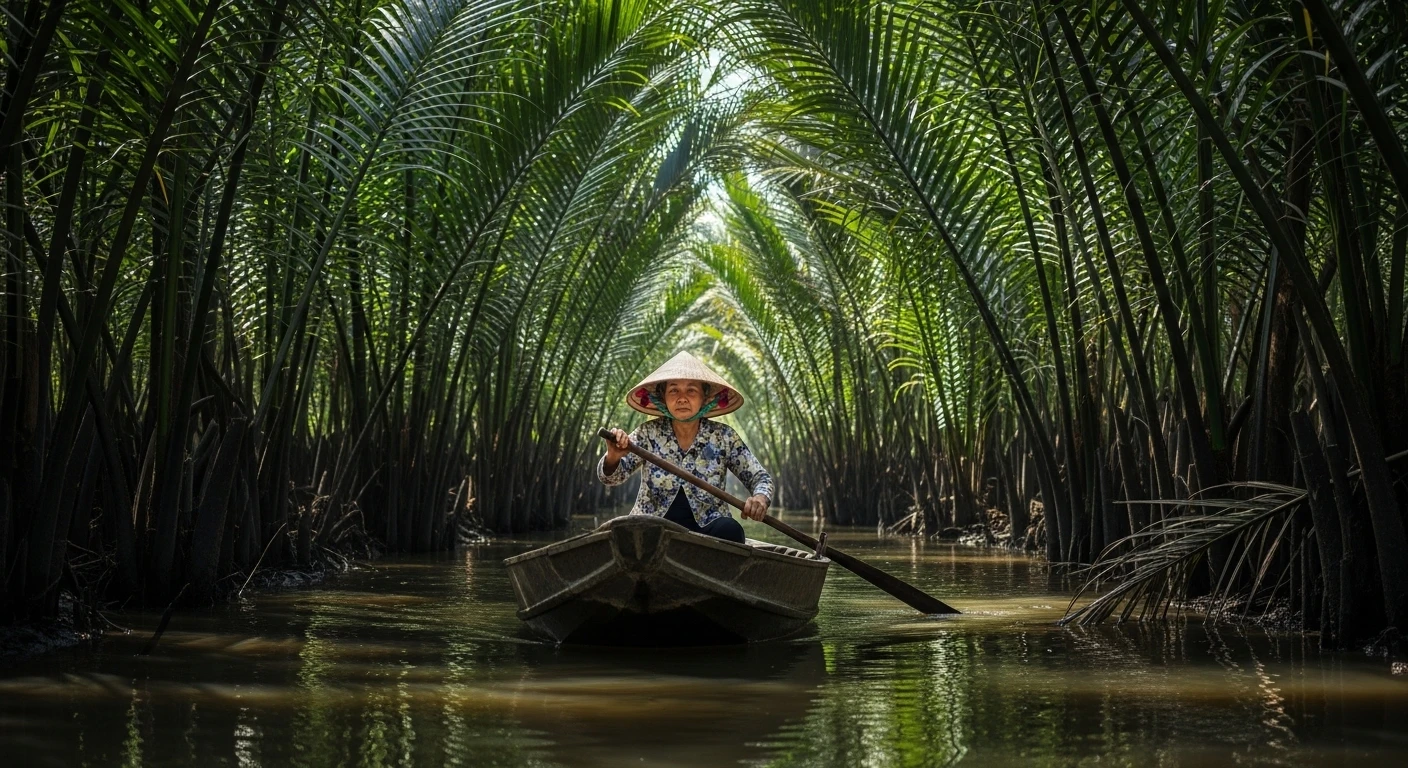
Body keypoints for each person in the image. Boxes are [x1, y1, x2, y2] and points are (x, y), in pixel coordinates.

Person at [598, 351, 772, 544]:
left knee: (731, 531)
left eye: (691, 391)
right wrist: (613, 456)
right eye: (674, 390)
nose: (682, 398)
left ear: (704, 398)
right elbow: (611, 478)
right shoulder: (648, 432)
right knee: (634, 535)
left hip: (708, 525)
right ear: (663, 398)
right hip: (653, 523)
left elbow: (760, 477)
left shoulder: (724, 436)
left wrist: (760, 498)